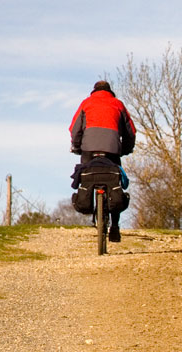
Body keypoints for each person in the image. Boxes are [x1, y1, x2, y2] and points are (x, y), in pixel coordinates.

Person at [69, 80, 136, 242]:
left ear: (94, 91)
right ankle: (114, 226)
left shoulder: (86, 103)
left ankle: (88, 201)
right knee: (115, 180)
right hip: (112, 150)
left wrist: (77, 146)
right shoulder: (118, 104)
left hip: (89, 149)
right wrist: (126, 148)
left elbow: (74, 128)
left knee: (86, 173)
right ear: (110, 92)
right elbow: (130, 131)